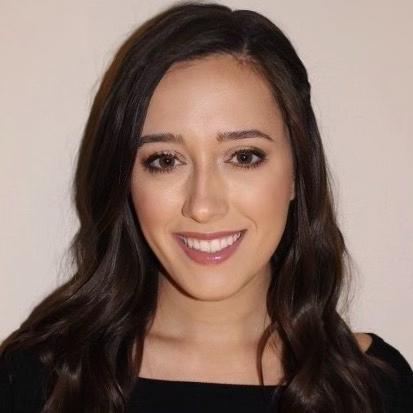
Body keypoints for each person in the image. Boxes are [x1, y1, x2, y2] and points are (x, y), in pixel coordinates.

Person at [0, 2, 412, 412]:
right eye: (165, 160)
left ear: (297, 172)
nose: (203, 206)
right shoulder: (41, 379)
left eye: (244, 156)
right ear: (124, 180)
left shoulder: (375, 386)